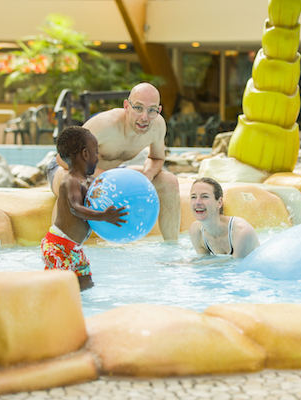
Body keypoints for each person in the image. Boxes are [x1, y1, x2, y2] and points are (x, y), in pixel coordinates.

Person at [49, 82, 180, 241]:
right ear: (127, 106)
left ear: (158, 111)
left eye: (151, 110)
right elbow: (64, 159)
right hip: (69, 170)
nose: (144, 117)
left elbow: (157, 158)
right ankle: (59, 250)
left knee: (169, 181)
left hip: (111, 175)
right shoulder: (105, 125)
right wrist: (102, 179)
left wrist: (147, 176)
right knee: (70, 181)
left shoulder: (157, 126)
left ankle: (171, 249)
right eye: (138, 108)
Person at [42, 126, 128, 290]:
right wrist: (104, 215)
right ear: (85, 154)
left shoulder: (88, 181)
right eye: (96, 152)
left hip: (74, 248)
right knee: (59, 289)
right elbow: (75, 208)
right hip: (58, 246)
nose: (98, 157)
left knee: (86, 284)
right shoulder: (71, 181)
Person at [189, 177, 260, 258]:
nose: (197, 202)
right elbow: (203, 264)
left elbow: (236, 267)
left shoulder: (241, 231)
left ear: (219, 202)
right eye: (193, 197)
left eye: (205, 196)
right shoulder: (196, 231)